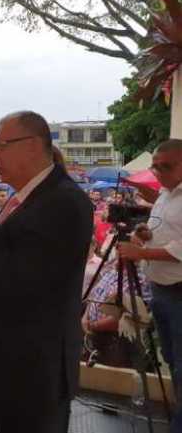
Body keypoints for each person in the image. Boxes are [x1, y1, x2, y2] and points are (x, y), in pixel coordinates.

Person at [0, 111, 93, 433]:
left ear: (32, 146)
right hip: (15, 361)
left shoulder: (64, 203)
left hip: (34, 366)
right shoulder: (32, 196)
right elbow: (9, 244)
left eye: (1, 145)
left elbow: (21, 276)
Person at [118, 139, 182, 433]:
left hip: (178, 292)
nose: (156, 172)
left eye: (164, 166)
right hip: (161, 289)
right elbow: (165, 234)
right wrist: (146, 235)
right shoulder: (166, 196)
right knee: (170, 359)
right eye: (154, 165)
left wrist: (140, 253)